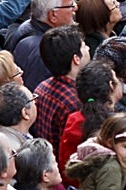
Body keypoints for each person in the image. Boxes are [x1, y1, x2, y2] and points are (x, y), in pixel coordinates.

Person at [33, 25, 89, 154]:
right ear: (76, 59)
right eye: (84, 46)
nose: (88, 48)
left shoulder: (41, 87)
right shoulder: (75, 102)